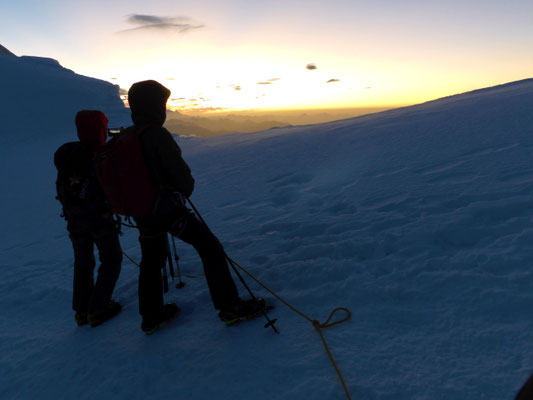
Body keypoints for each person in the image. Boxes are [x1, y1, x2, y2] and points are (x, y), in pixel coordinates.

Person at [126, 80, 265, 334]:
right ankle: (230, 307)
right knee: (210, 248)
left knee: (151, 261)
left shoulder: (127, 135)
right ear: (155, 106)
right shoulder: (156, 134)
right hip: (167, 210)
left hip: (142, 212)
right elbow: (184, 182)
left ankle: (151, 316)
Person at [54, 110, 123, 327]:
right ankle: (98, 308)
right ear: (100, 128)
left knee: (83, 262)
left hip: (75, 219)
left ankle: (81, 311)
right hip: (99, 218)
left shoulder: (68, 155)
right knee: (112, 259)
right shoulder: (101, 154)